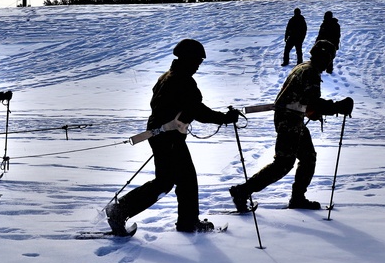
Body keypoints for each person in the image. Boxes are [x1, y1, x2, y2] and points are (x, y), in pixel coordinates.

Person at [106, 39, 241, 235]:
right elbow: (199, 111)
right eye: (196, 61)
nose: (197, 66)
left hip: (160, 135)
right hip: (168, 138)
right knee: (183, 180)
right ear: (187, 59)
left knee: (168, 181)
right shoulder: (182, 80)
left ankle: (124, 210)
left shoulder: (167, 77)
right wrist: (225, 118)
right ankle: (124, 211)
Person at [229, 40, 353, 211]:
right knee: (283, 163)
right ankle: (243, 191)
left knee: (308, 157)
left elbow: (306, 102)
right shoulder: (310, 73)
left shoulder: (304, 67)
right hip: (290, 121)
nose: (327, 62)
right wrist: (338, 107)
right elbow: (314, 102)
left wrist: (315, 110)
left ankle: (297, 198)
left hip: (292, 119)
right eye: (328, 58)